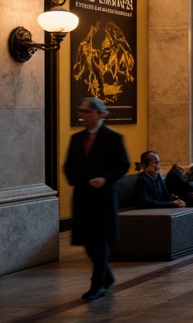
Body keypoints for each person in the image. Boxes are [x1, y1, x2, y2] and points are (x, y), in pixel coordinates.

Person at [63, 97, 129, 301]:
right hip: (83, 196)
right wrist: (75, 179)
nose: (82, 115)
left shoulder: (113, 138)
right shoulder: (77, 138)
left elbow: (123, 165)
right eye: (81, 111)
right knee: (87, 242)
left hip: (103, 198)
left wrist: (105, 179)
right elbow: (68, 165)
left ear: (100, 114)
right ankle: (106, 275)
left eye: (86, 111)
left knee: (100, 242)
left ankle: (97, 285)